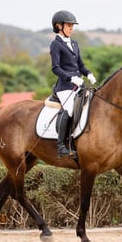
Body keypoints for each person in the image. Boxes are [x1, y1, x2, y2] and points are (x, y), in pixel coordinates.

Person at [50, 10, 96, 158]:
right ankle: (61, 146)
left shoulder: (74, 43)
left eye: (72, 25)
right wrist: (70, 78)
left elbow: (80, 65)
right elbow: (56, 68)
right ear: (59, 26)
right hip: (65, 87)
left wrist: (88, 73)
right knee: (70, 109)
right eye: (69, 25)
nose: (72, 28)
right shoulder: (55, 44)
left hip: (79, 85)